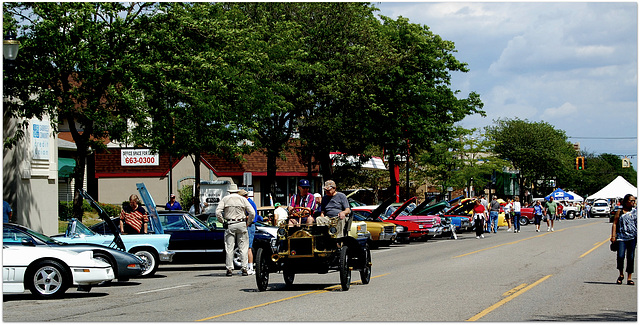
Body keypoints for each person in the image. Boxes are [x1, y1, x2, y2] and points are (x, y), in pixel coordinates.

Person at [216, 184, 255, 277]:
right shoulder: (242, 199)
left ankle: (229, 268)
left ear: (229, 191)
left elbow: (217, 212)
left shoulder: (225, 199)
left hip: (230, 224)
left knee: (229, 247)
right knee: (243, 247)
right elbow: (252, 212)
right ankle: (244, 268)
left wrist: (222, 221)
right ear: (237, 191)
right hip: (241, 223)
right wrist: (248, 222)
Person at [611, 194, 637, 285]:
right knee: (621, 256)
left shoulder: (636, 211)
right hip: (621, 238)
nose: (633, 202)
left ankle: (629, 278)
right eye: (631, 201)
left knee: (630, 257)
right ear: (626, 202)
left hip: (632, 237)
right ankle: (621, 274)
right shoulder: (620, 211)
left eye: (634, 200)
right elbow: (614, 223)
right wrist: (613, 236)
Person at [240, 190, 261, 275]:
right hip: (249, 225)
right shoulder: (248, 202)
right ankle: (246, 266)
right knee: (245, 247)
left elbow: (252, 215)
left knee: (249, 247)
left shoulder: (249, 203)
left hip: (250, 225)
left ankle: (251, 267)